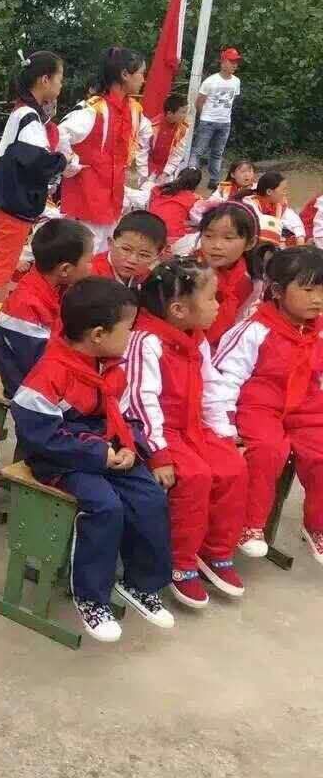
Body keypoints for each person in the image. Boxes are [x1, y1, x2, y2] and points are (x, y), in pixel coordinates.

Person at [11, 277, 175, 642]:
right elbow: (38, 435)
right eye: (127, 329)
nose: (132, 336)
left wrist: (127, 445)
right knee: (105, 507)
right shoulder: (51, 372)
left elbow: (118, 414)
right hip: (59, 458)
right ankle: (91, 598)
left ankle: (140, 584)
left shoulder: (106, 363)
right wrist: (100, 453)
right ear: (98, 334)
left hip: (104, 448)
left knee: (149, 496)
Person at [123, 259, 249, 609]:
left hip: (192, 427)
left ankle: (214, 550)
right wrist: (159, 454)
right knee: (195, 477)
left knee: (233, 467)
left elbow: (211, 386)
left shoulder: (195, 337)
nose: (218, 306)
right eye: (211, 299)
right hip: (156, 431)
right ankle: (179, 560)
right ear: (179, 309)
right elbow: (141, 401)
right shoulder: (147, 340)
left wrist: (223, 431)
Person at [206, 246, 323, 567]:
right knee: (268, 450)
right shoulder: (255, 329)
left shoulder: (319, 330)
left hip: (306, 405)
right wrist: (224, 424)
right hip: (260, 405)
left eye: (322, 291)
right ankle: (250, 524)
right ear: (278, 291)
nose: (317, 299)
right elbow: (225, 375)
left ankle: (317, 525)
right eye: (308, 290)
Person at [0, 51, 69, 302]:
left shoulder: (25, 113)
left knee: (4, 268)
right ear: (44, 80)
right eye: (59, 78)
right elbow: (37, 161)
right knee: (0, 269)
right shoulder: (29, 116)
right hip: (13, 203)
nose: (61, 85)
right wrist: (63, 160)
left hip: (9, 200)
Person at [59, 47, 150, 255]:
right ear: (125, 74)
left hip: (113, 198)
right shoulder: (94, 109)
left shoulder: (133, 109)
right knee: (82, 256)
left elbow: (146, 135)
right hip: (86, 199)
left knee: (105, 254)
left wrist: (142, 171)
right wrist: (71, 166)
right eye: (141, 73)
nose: (144, 79)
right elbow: (60, 134)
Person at [0, 217, 95, 399]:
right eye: (89, 261)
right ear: (65, 270)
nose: (92, 267)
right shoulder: (25, 306)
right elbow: (40, 365)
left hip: (52, 375)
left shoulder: (59, 287)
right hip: (30, 390)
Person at [186, 201, 263, 347]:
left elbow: (238, 320)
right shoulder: (187, 270)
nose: (216, 246)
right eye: (209, 236)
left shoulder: (252, 282)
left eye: (228, 238)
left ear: (250, 243)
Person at [189, 47, 242, 183]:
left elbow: (233, 100)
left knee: (217, 153)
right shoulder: (210, 81)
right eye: (231, 61)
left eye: (236, 62)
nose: (235, 65)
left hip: (225, 122)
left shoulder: (236, 81)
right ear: (223, 62)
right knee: (198, 151)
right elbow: (199, 101)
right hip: (208, 121)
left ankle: (214, 181)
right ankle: (190, 179)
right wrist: (204, 116)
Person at [90, 210, 166, 286]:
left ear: (157, 257)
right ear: (111, 243)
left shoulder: (153, 276)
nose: (132, 260)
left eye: (144, 255)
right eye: (126, 249)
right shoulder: (90, 275)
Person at [243, 172, 304, 247]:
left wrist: (300, 236)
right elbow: (261, 226)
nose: (285, 193)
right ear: (269, 192)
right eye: (283, 190)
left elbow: (294, 219)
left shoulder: (277, 203)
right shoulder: (250, 204)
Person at [148, 167, 203, 244]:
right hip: (172, 238)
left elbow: (150, 208)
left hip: (149, 231)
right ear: (196, 185)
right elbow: (199, 220)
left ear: (178, 177)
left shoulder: (157, 189)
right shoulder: (193, 199)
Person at [147, 94, 189, 184]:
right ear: (169, 113)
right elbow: (143, 150)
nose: (185, 115)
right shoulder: (152, 125)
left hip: (168, 170)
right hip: (148, 168)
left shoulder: (183, 129)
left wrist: (165, 173)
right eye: (182, 112)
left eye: (186, 112)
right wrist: (144, 171)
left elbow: (177, 154)